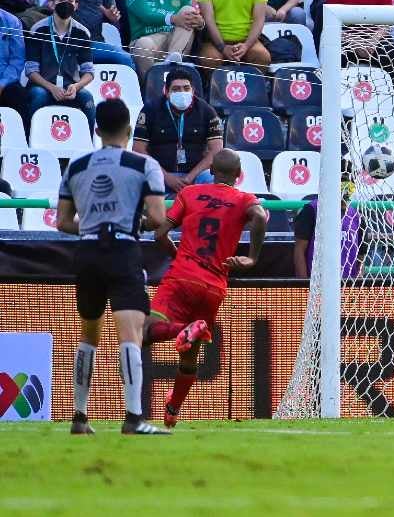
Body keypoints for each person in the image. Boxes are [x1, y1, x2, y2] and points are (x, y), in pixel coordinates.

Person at [56, 98, 169, 435]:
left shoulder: (76, 166)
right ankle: (133, 418)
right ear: (130, 129)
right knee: (130, 333)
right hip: (122, 249)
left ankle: (79, 417)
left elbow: (63, 222)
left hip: (88, 251)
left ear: (96, 130)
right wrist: (137, 223)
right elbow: (158, 217)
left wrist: (93, 225)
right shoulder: (143, 165)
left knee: (88, 333)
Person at [142, 148, 266, 428]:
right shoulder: (244, 199)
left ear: (211, 172)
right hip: (213, 287)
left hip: (181, 278)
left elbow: (159, 233)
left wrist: (178, 255)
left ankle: (182, 329)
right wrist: (252, 258)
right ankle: (173, 407)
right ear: (238, 174)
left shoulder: (190, 194)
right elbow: (259, 216)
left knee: (143, 333)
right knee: (189, 354)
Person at [133, 69, 224, 194]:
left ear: (193, 90)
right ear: (166, 92)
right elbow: (138, 149)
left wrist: (190, 177)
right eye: (176, 89)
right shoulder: (150, 110)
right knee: (139, 177)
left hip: (195, 175)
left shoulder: (207, 111)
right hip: (159, 174)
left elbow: (216, 150)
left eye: (186, 88)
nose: (182, 92)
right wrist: (166, 177)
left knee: (212, 179)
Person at [24, 0, 96, 135]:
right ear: (51, 4)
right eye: (61, 0)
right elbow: (31, 70)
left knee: (87, 98)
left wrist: (76, 86)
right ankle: (28, 137)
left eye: (70, 1)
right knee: (38, 96)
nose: (66, 4)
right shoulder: (38, 29)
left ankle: (88, 142)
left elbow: (89, 71)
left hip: (70, 88)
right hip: (43, 86)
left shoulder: (82, 32)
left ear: (76, 6)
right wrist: (51, 87)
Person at [126, 0, 204, 79]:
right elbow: (146, 15)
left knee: (188, 10)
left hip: (175, 41)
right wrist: (173, 19)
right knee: (143, 44)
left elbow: (193, 18)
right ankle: (151, 84)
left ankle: (172, 60)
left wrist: (200, 23)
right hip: (147, 41)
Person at [197, 0, 271, 73]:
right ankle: (213, 84)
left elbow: (259, 19)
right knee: (210, 59)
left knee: (262, 57)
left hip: (247, 40)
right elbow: (209, 19)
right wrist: (222, 47)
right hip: (215, 41)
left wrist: (246, 45)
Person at [293, 183, 365, 279]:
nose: (345, 197)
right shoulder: (311, 210)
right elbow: (299, 250)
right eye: (343, 193)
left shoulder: (356, 216)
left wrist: (358, 283)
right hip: (317, 281)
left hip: (348, 283)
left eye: (349, 192)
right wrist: (303, 283)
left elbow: (361, 257)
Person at [0, 4, 26, 114]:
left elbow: (17, 60)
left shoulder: (12, 22)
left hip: (5, 80)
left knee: (16, 94)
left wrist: (2, 83)